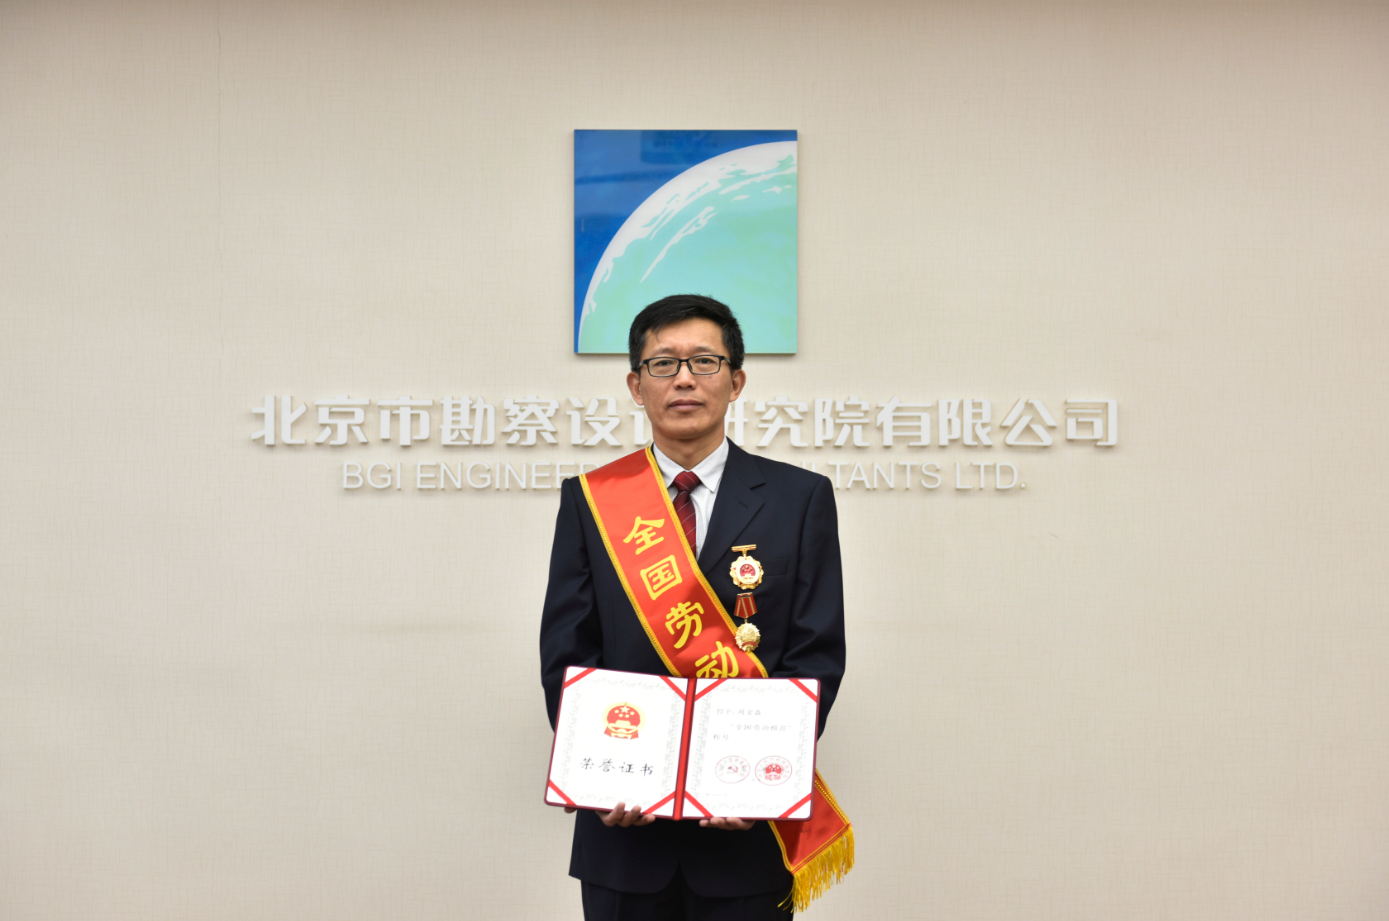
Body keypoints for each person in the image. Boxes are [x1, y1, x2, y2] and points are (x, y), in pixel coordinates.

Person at [539, 294, 848, 920]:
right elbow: (568, 651)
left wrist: (760, 775)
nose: (684, 378)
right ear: (636, 386)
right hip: (623, 835)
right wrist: (599, 776)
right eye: (663, 363)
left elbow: (815, 652)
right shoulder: (591, 501)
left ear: (736, 381)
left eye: (705, 361)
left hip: (745, 835)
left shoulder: (800, 498)